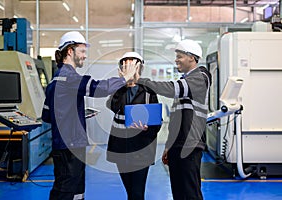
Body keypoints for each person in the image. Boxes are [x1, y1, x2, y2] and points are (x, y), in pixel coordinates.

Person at [41, 31, 137, 200]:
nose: (85, 56)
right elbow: (98, 88)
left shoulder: (55, 79)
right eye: (82, 51)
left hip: (67, 144)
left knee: (76, 190)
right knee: (64, 191)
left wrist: (74, 114)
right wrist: (124, 79)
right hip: (69, 145)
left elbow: (47, 115)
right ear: (70, 51)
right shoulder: (68, 77)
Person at [134, 39, 212, 200]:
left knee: (190, 193)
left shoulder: (201, 76)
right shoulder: (186, 80)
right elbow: (176, 121)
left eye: (180, 56)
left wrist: (140, 81)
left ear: (192, 57)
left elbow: (172, 89)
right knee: (178, 192)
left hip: (190, 144)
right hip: (178, 144)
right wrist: (169, 146)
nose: (176, 60)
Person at [106, 52, 161, 200]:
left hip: (141, 149)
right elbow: (112, 106)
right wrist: (122, 84)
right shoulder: (118, 88)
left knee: (137, 193)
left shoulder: (149, 90)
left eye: (132, 65)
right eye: (126, 65)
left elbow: (157, 121)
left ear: (139, 68)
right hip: (120, 149)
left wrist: (147, 128)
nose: (129, 69)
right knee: (130, 191)